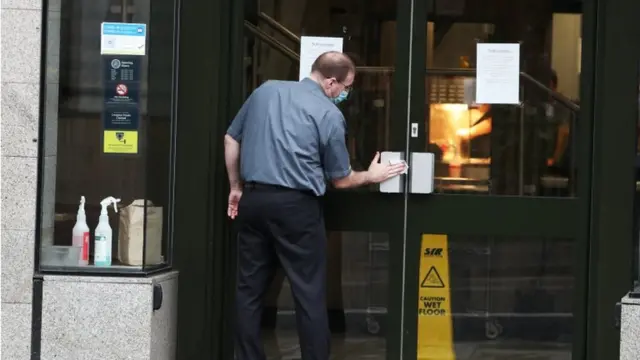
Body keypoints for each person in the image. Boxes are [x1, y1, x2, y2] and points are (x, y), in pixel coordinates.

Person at [224, 51, 406, 360]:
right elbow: (342, 180)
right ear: (331, 82)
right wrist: (371, 175)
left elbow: (231, 139)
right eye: (346, 87)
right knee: (308, 293)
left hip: (254, 201)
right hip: (296, 208)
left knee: (249, 292)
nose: (346, 94)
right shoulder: (328, 114)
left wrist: (236, 187)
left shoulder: (265, 90)